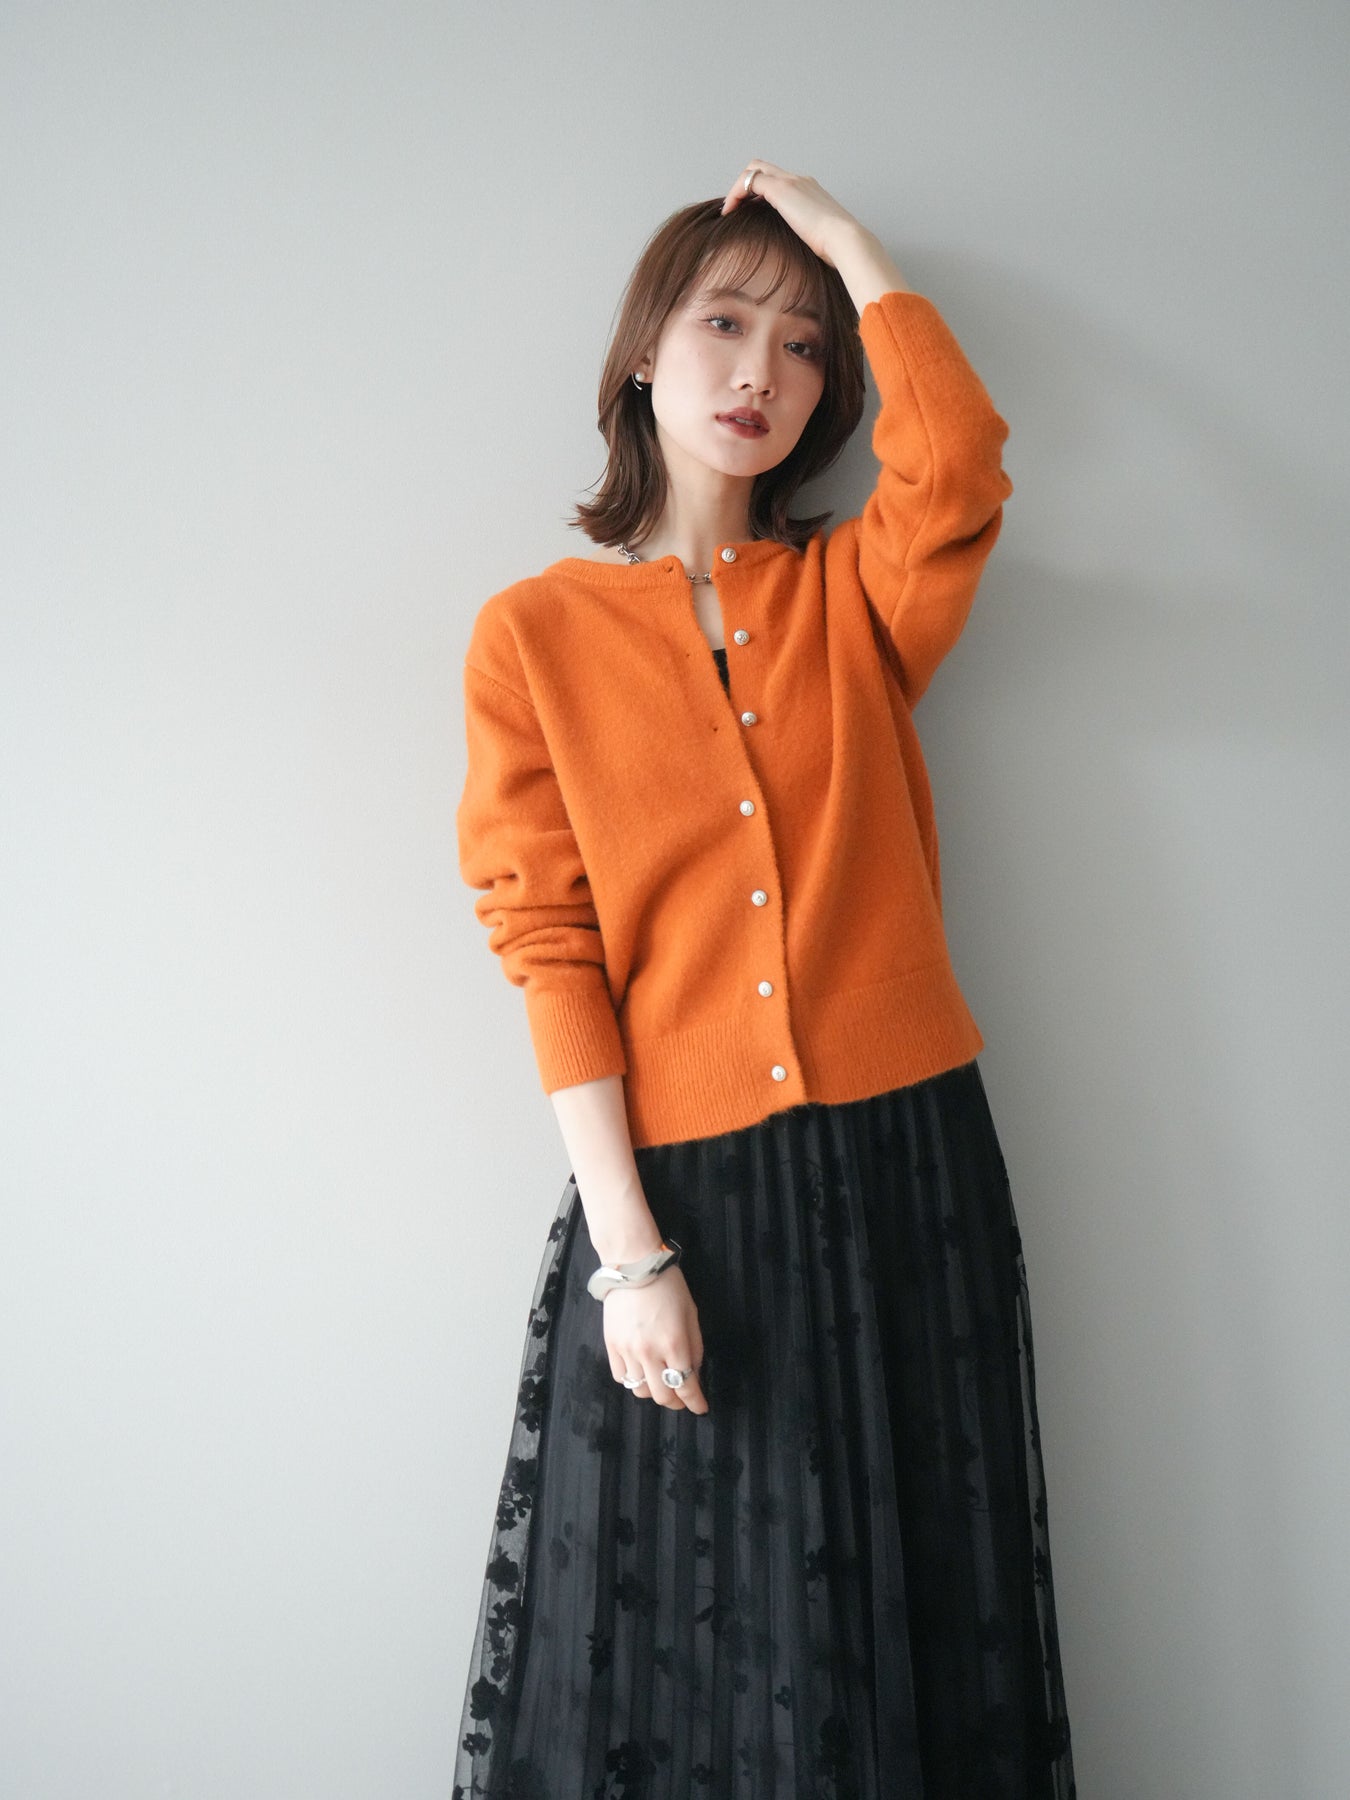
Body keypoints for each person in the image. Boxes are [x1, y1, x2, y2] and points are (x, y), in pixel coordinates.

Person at [452, 160, 1076, 1799]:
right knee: (697, 1645)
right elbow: (546, 942)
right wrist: (628, 1255)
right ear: (639, 355)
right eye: (722, 325)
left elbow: (956, 466)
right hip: (685, 1199)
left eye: (804, 347)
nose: (762, 374)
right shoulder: (532, 637)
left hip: (904, 1168)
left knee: (902, 1620)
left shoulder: (854, 597)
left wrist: (851, 248)